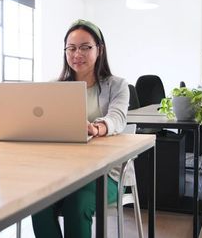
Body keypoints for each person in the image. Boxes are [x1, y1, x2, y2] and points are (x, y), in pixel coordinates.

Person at [31, 19, 129, 238]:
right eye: (71, 48)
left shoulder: (117, 85)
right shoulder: (55, 87)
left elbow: (118, 117)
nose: (77, 54)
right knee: (37, 202)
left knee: (78, 203)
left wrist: (97, 127)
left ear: (99, 50)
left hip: (105, 174)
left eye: (85, 47)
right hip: (62, 172)